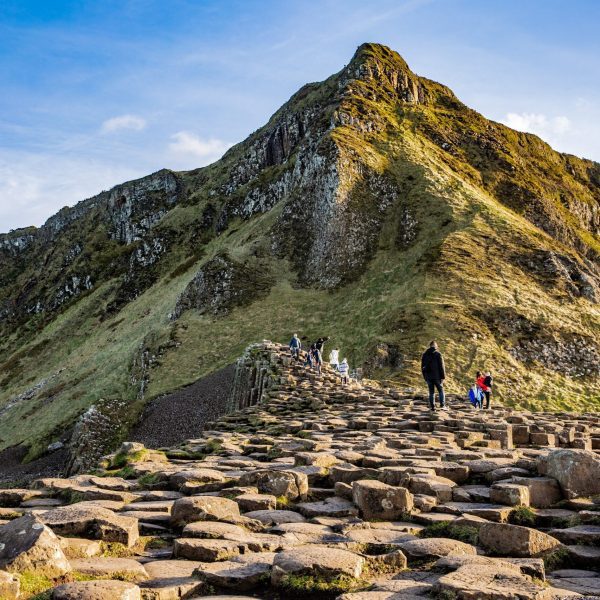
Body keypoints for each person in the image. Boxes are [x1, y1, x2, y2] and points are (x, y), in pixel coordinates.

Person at [421, 340, 447, 411]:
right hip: (437, 377)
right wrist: (443, 377)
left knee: (431, 392)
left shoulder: (424, 355)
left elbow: (422, 367)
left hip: (428, 377)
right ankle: (442, 405)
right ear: (435, 346)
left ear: (430, 346)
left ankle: (432, 407)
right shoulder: (438, 354)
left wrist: (425, 377)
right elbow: (442, 366)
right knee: (441, 390)